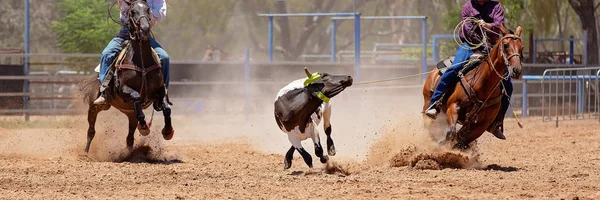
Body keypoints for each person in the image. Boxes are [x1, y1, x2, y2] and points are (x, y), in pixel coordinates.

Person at [424, 0, 512, 140]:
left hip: (493, 46)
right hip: (470, 44)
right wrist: (481, 43)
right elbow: (467, 29)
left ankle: (496, 122)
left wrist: (488, 25)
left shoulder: (496, 6)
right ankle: (435, 104)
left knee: (507, 81)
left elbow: (499, 24)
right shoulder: (468, 7)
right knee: (455, 68)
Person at [94, 0, 169, 104]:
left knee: (164, 58)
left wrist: (142, 12)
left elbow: (161, 15)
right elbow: (123, 18)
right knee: (107, 53)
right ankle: (105, 91)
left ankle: (163, 93)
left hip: (145, 32)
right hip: (127, 32)